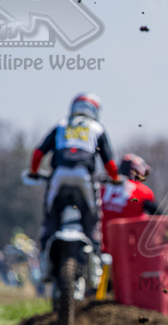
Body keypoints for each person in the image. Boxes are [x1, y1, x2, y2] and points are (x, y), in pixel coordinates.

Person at [30, 92, 121, 282]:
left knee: (50, 218)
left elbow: (38, 153)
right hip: (84, 177)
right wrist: (115, 178)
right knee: (92, 219)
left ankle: (44, 262)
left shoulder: (61, 125)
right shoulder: (97, 128)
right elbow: (110, 163)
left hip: (58, 176)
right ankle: (95, 262)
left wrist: (33, 171)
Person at [100, 153, 158, 245]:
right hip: (128, 248)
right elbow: (159, 215)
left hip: (102, 244)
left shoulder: (102, 189)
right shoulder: (142, 191)